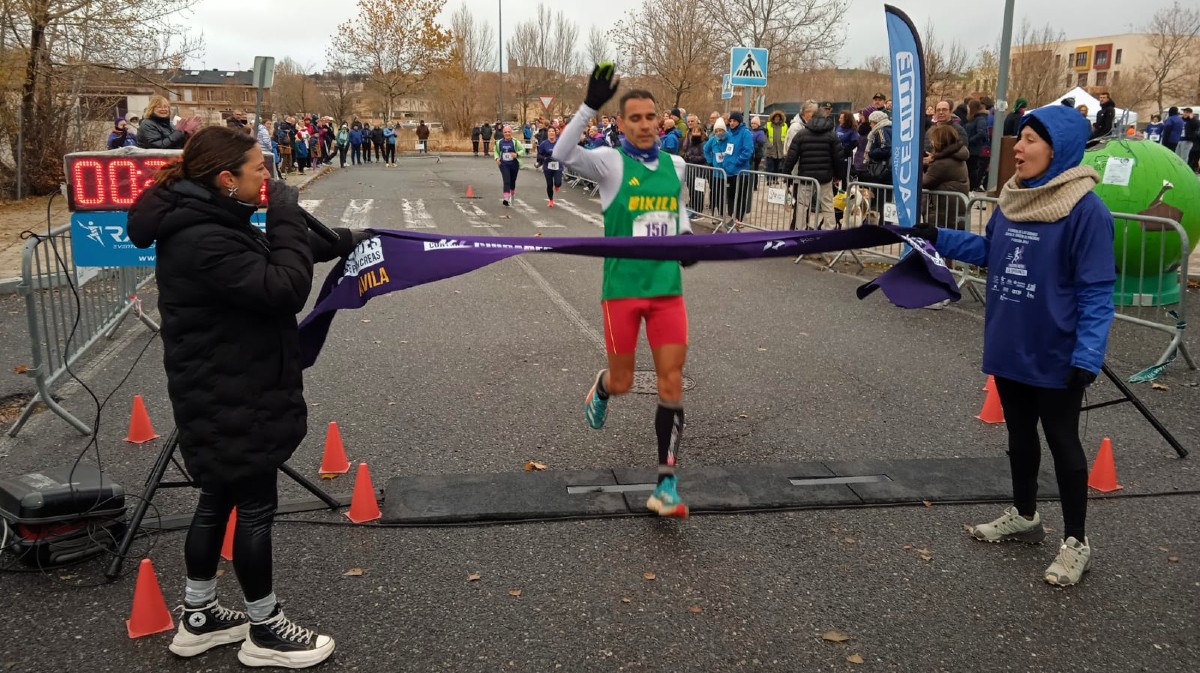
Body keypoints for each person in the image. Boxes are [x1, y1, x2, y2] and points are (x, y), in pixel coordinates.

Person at [127, 126, 366, 666]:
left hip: (223, 387)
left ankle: (199, 616)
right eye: (260, 169)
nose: (268, 176)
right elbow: (282, 285)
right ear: (225, 178)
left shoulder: (205, 216)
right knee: (255, 507)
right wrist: (283, 209)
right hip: (230, 394)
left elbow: (282, 252)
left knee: (216, 500)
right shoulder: (201, 238)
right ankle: (266, 631)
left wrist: (355, 239)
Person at [907, 105, 1115, 588]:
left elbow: (1097, 290)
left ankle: (1076, 542)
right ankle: (1025, 516)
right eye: (1018, 138)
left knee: (1063, 444)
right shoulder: (1014, 200)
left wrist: (1087, 354)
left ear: (1056, 150)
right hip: (1010, 341)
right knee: (1020, 438)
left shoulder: (1086, 211)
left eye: (1029, 140)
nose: (1017, 148)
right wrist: (939, 237)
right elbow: (991, 252)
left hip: (1056, 351)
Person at [552, 64, 695, 518]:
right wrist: (588, 105)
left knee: (672, 383)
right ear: (621, 124)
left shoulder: (677, 164)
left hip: (667, 290)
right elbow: (560, 152)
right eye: (635, 118)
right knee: (625, 381)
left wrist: (690, 239)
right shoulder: (610, 162)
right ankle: (601, 387)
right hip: (622, 292)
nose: (645, 125)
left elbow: (681, 215)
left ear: (659, 120)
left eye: (651, 117)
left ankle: (666, 484)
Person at [780, 101, 844, 231]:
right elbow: (838, 157)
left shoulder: (802, 134)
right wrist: (839, 175)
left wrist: (786, 174)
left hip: (806, 176)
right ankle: (830, 230)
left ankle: (800, 230)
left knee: (802, 205)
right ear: (825, 117)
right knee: (827, 205)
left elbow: (791, 156)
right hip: (825, 177)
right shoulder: (832, 135)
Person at [921, 124, 968, 229]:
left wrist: (917, 168)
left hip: (943, 211)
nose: (932, 143)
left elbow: (926, 181)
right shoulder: (956, 156)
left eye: (933, 140)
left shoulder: (942, 163)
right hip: (953, 208)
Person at [494, 125, 526, 207]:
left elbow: (523, 150)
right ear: (503, 133)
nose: (507, 133)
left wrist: (517, 154)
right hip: (504, 165)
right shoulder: (499, 142)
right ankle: (506, 199)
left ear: (511, 133)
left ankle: (512, 193)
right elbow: (496, 151)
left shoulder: (515, 142)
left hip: (514, 164)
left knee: (512, 181)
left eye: (509, 132)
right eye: (505, 132)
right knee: (506, 180)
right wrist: (497, 158)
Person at [964, 100, 990, 191]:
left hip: (974, 150)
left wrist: (969, 141)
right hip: (970, 149)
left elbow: (981, 133)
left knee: (972, 170)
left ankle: (973, 187)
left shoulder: (980, 119)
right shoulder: (973, 119)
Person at [536, 126, 564, 207]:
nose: (551, 133)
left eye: (553, 131)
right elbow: (539, 155)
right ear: (548, 133)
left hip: (558, 165)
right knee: (549, 184)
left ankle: (557, 185)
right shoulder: (544, 144)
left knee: (558, 182)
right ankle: (551, 200)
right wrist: (544, 158)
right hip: (548, 166)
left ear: (555, 133)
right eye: (550, 131)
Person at [763, 111, 788, 176]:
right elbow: (764, 136)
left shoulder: (784, 125)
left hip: (780, 149)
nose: (777, 118)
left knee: (777, 166)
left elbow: (787, 136)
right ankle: (769, 179)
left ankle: (775, 179)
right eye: (776, 117)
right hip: (770, 149)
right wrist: (768, 144)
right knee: (770, 166)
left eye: (778, 117)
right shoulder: (768, 125)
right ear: (773, 117)